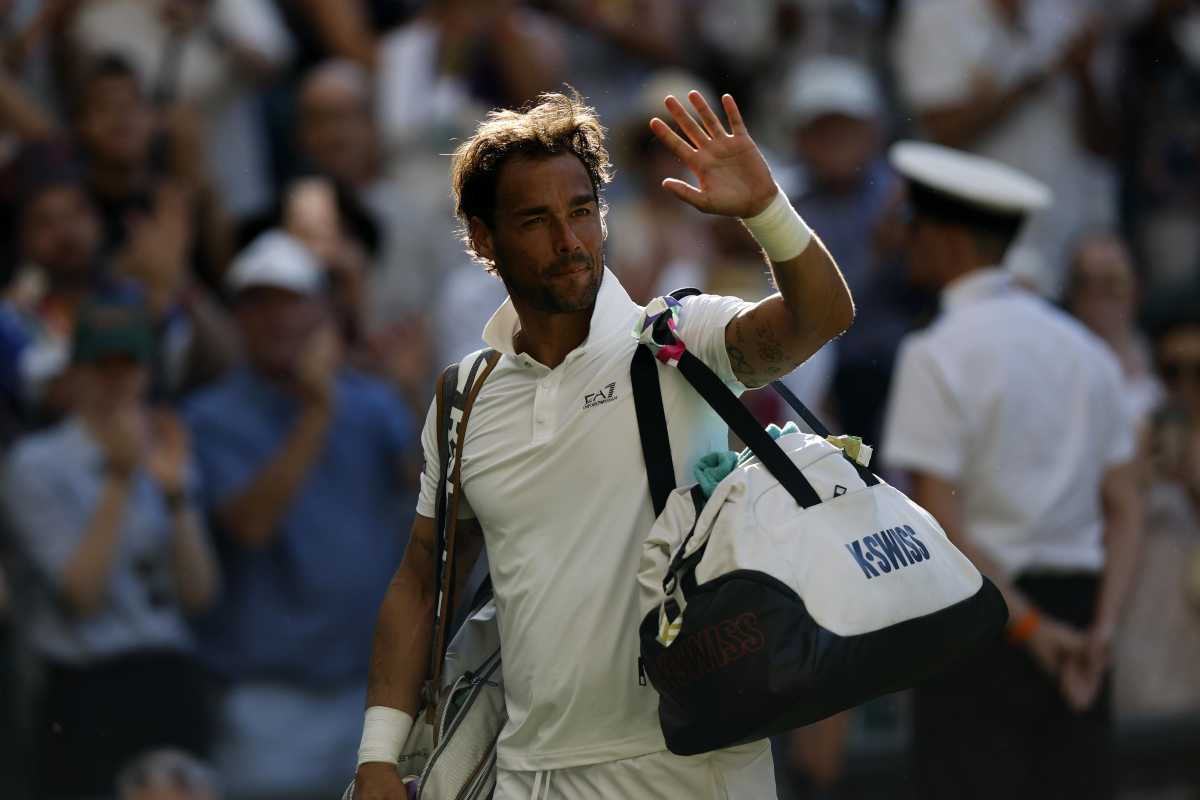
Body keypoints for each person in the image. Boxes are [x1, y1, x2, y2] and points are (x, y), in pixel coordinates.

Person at [354, 90, 853, 798]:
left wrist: (766, 210)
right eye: (536, 220)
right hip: (525, 775)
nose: (569, 240)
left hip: (692, 770)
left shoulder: (682, 337)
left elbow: (824, 315)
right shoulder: (463, 396)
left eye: (582, 211)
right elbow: (422, 579)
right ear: (484, 240)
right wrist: (379, 753)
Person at [880, 141, 1143, 800]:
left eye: (913, 226)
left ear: (947, 240)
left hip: (983, 627)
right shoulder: (1088, 351)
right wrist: (1101, 633)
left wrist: (1030, 629)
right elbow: (1127, 506)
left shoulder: (934, 353)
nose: (905, 241)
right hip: (1080, 626)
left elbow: (939, 522)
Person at [184, 230, 417, 800]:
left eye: (292, 302)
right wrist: (316, 411)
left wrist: (412, 388)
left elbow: (432, 498)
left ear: (323, 312)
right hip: (267, 699)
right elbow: (249, 525)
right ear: (238, 318)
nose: (278, 320)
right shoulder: (210, 416)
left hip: (376, 695)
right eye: (259, 304)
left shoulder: (373, 402)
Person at [1, 295, 219, 799]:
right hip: (84, 682)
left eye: (129, 365)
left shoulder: (167, 446)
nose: (117, 380)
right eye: (103, 365)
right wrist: (120, 478)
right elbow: (81, 595)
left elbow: (200, 594)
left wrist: (176, 497)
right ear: (76, 373)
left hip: (167, 672)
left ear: (147, 372)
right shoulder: (36, 464)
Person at [891, 0, 1118, 296]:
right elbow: (940, 130)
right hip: (984, 242)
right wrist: (1033, 79)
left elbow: (1104, 143)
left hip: (1069, 234)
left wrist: (1082, 72)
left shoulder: (1070, 11)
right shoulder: (935, 13)